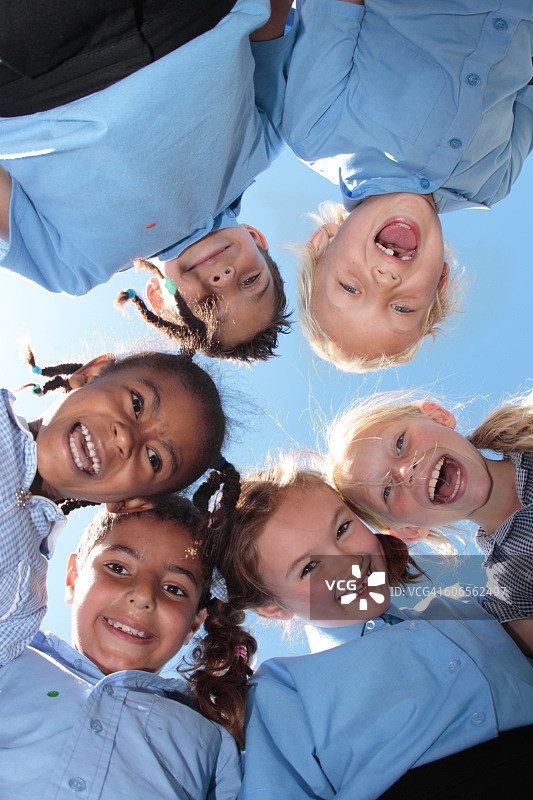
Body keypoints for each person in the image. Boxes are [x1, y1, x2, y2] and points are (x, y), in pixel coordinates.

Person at [206, 459, 533, 799]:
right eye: (310, 567)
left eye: (342, 529)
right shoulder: (285, 690)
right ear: (274, 609)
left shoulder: (464, 610)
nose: (350, 564)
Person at [0, 0, 296, 360]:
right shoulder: (263, 148)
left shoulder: (75, 267)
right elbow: (271, 23)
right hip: (189, 18)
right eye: (250, 280)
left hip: (36, 75)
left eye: (206, 305)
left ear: (157, 297)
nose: (224, 279)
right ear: (256, 238)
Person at [273, 0, 533, 370]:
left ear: (323, 242)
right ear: (440, 282)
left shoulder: (317, 131)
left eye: (350, 287)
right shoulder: (492, 182)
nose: (384, 280)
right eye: (401, 308)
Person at [0, 488, 255, 798]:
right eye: (118, 568)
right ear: (73, 578)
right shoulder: (11, 655)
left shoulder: (212, 740)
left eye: (174, 589)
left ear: (194, 624)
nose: (144, 596)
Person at [327, 391, 533, 657]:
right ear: (409, 529)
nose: (405, 471)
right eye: (387, 491)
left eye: (400, 444)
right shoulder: (514, 596)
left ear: (437, 416)